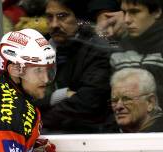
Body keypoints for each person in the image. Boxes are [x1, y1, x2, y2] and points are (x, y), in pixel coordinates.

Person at [35, 0, 113, 133]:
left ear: (78, 19)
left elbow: (87, 102)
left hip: (87, 135)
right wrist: (61, 95)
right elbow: (25, 99)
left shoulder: (97, 49)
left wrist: (38, 120)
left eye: (62, 16)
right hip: (48, 131)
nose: (54, 24)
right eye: (49, 17)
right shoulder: (38, 49)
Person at [110, 0, 163, 104]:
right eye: (124, 13)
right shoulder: (119, 48)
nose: (126, 20)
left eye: (134, 12)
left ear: (157, 12)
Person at [110, 67, 163, 132]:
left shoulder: (158, 137)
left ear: (150, 102)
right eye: (114, 100)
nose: (118, 106)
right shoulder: (105, 135)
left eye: (127, 99)